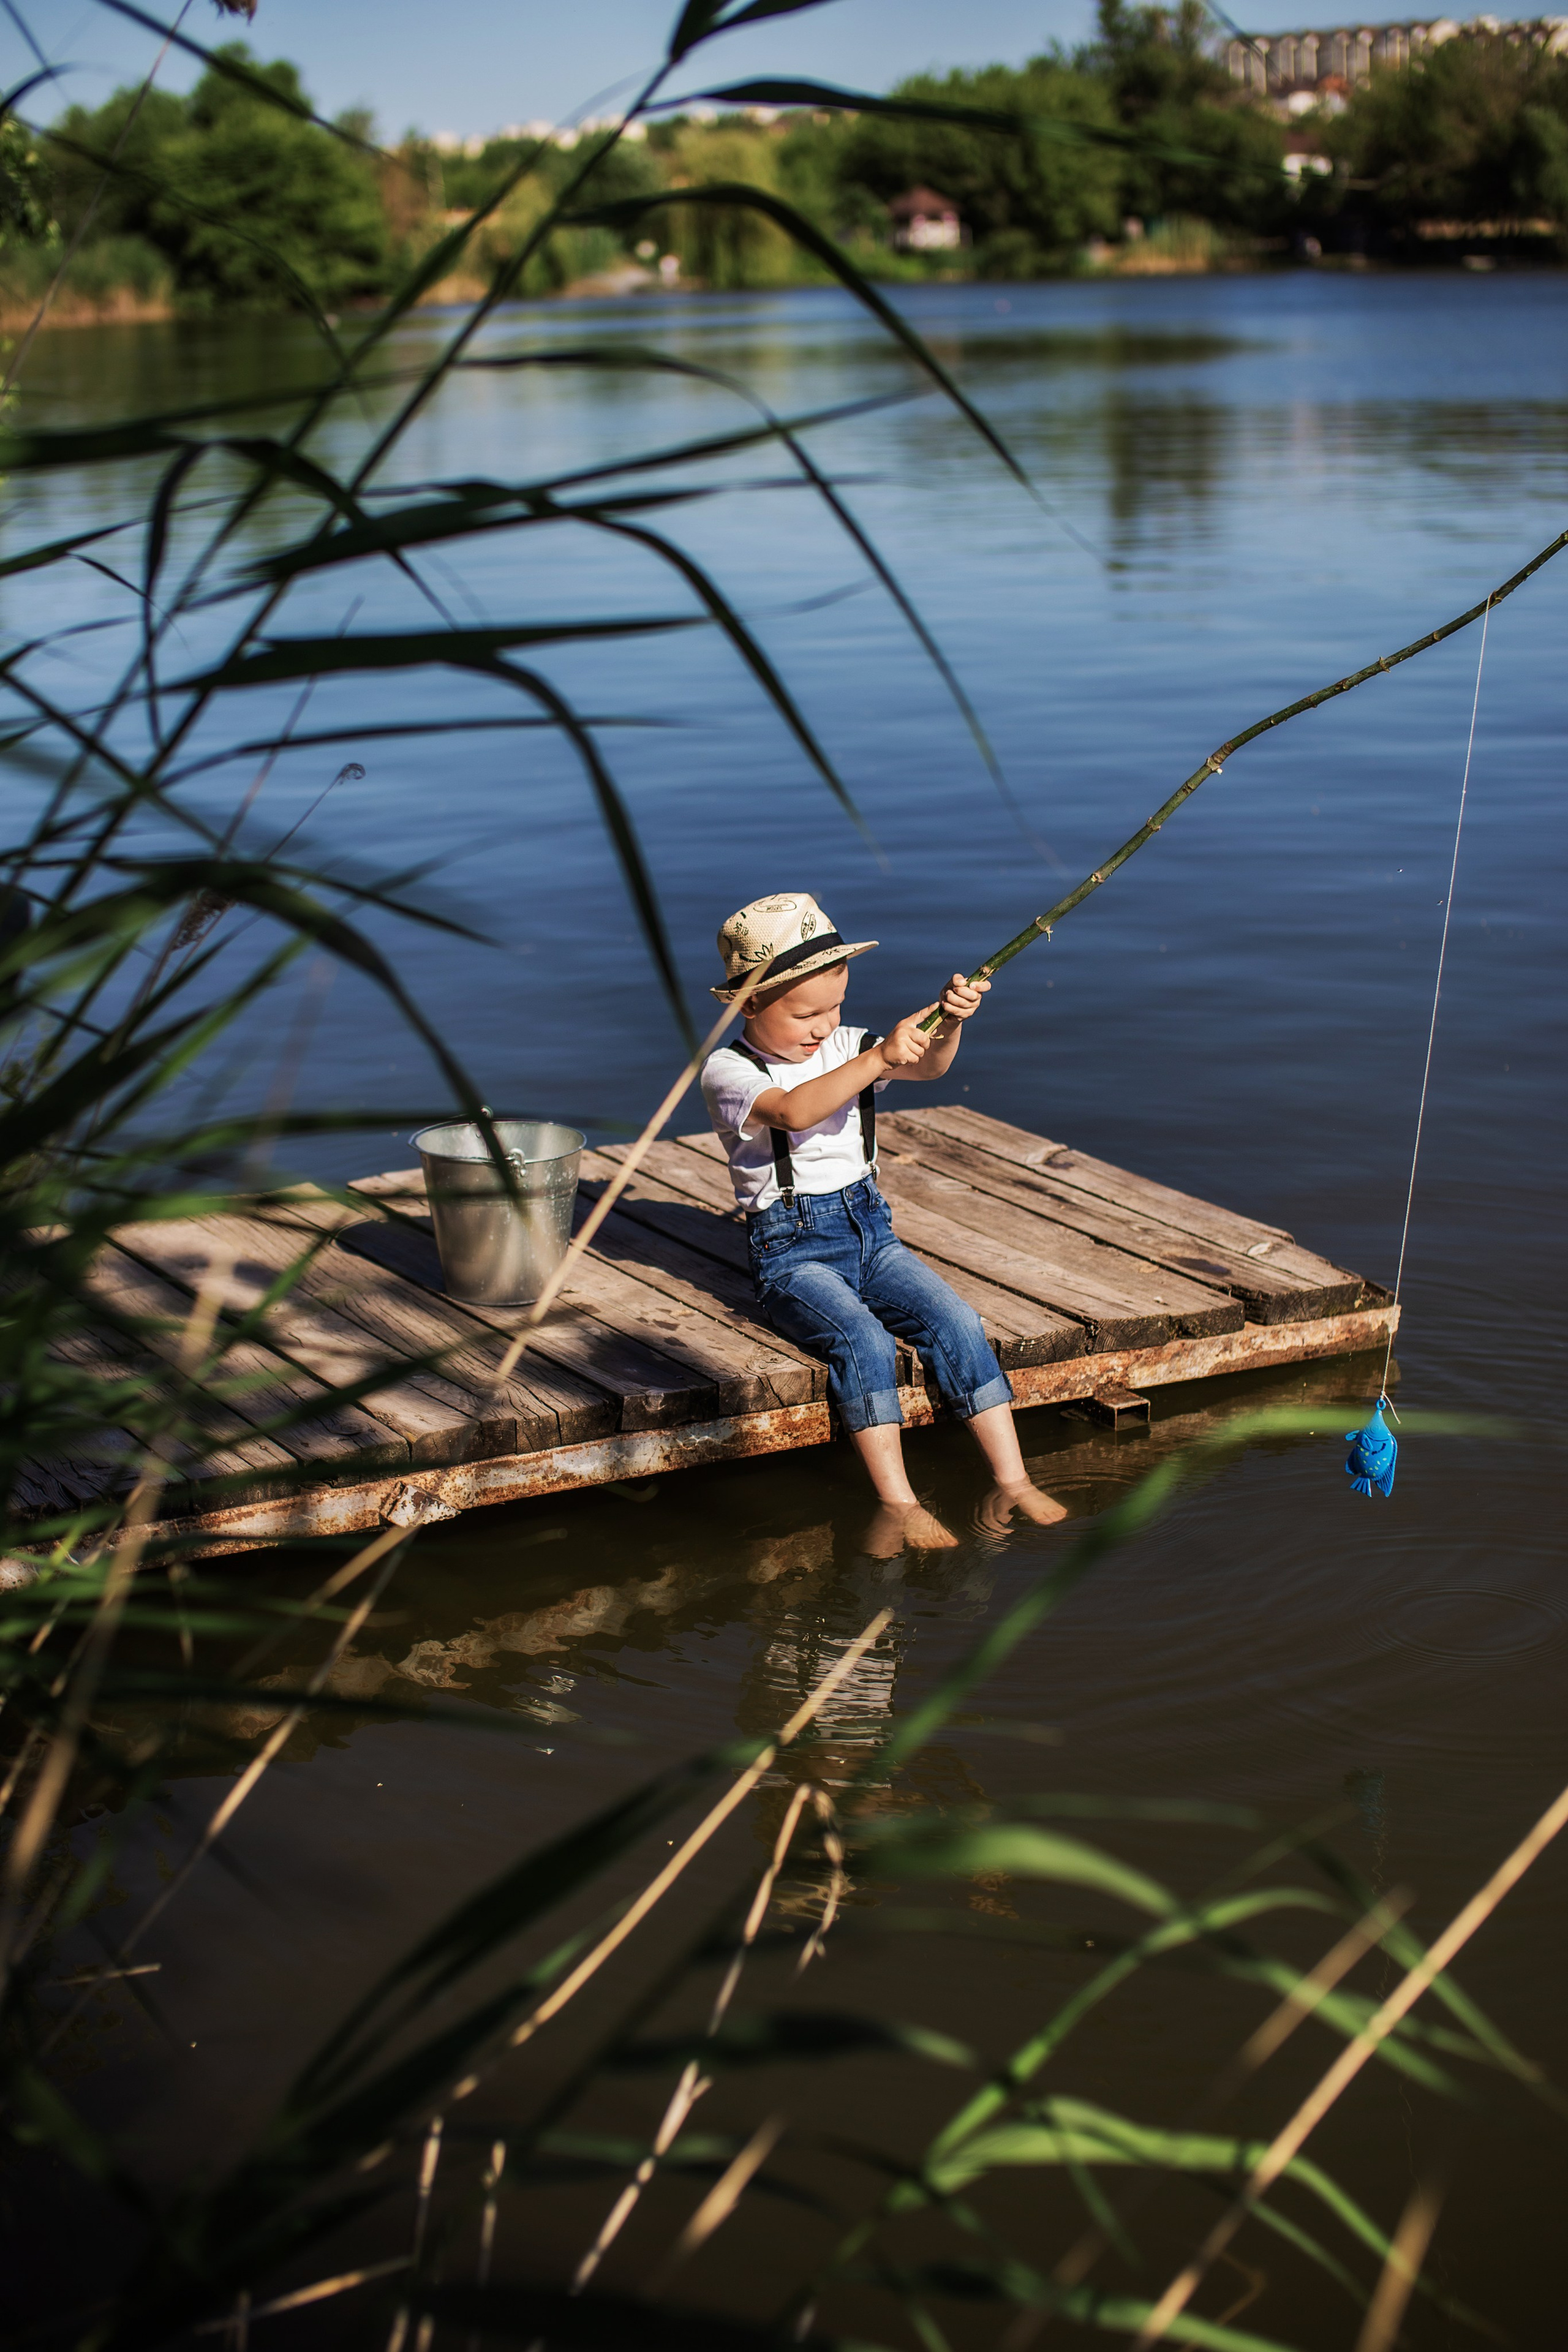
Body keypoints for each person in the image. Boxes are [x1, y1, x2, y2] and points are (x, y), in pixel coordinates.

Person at [701, 891, 1068, 1552]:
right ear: (748, 1005)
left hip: (872, 1231)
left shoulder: (848, 1042)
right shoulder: (731, 1071)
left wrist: (948, 1024)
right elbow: (793, 1112)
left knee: (958, 1321)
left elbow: (928, 1066)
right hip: (793, 1255)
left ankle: (1012, 1478)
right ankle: (899, 1502)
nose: (824, 1027)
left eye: (836, 1007)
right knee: (864, 1342)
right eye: (805, 1014)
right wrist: (877, 1058)